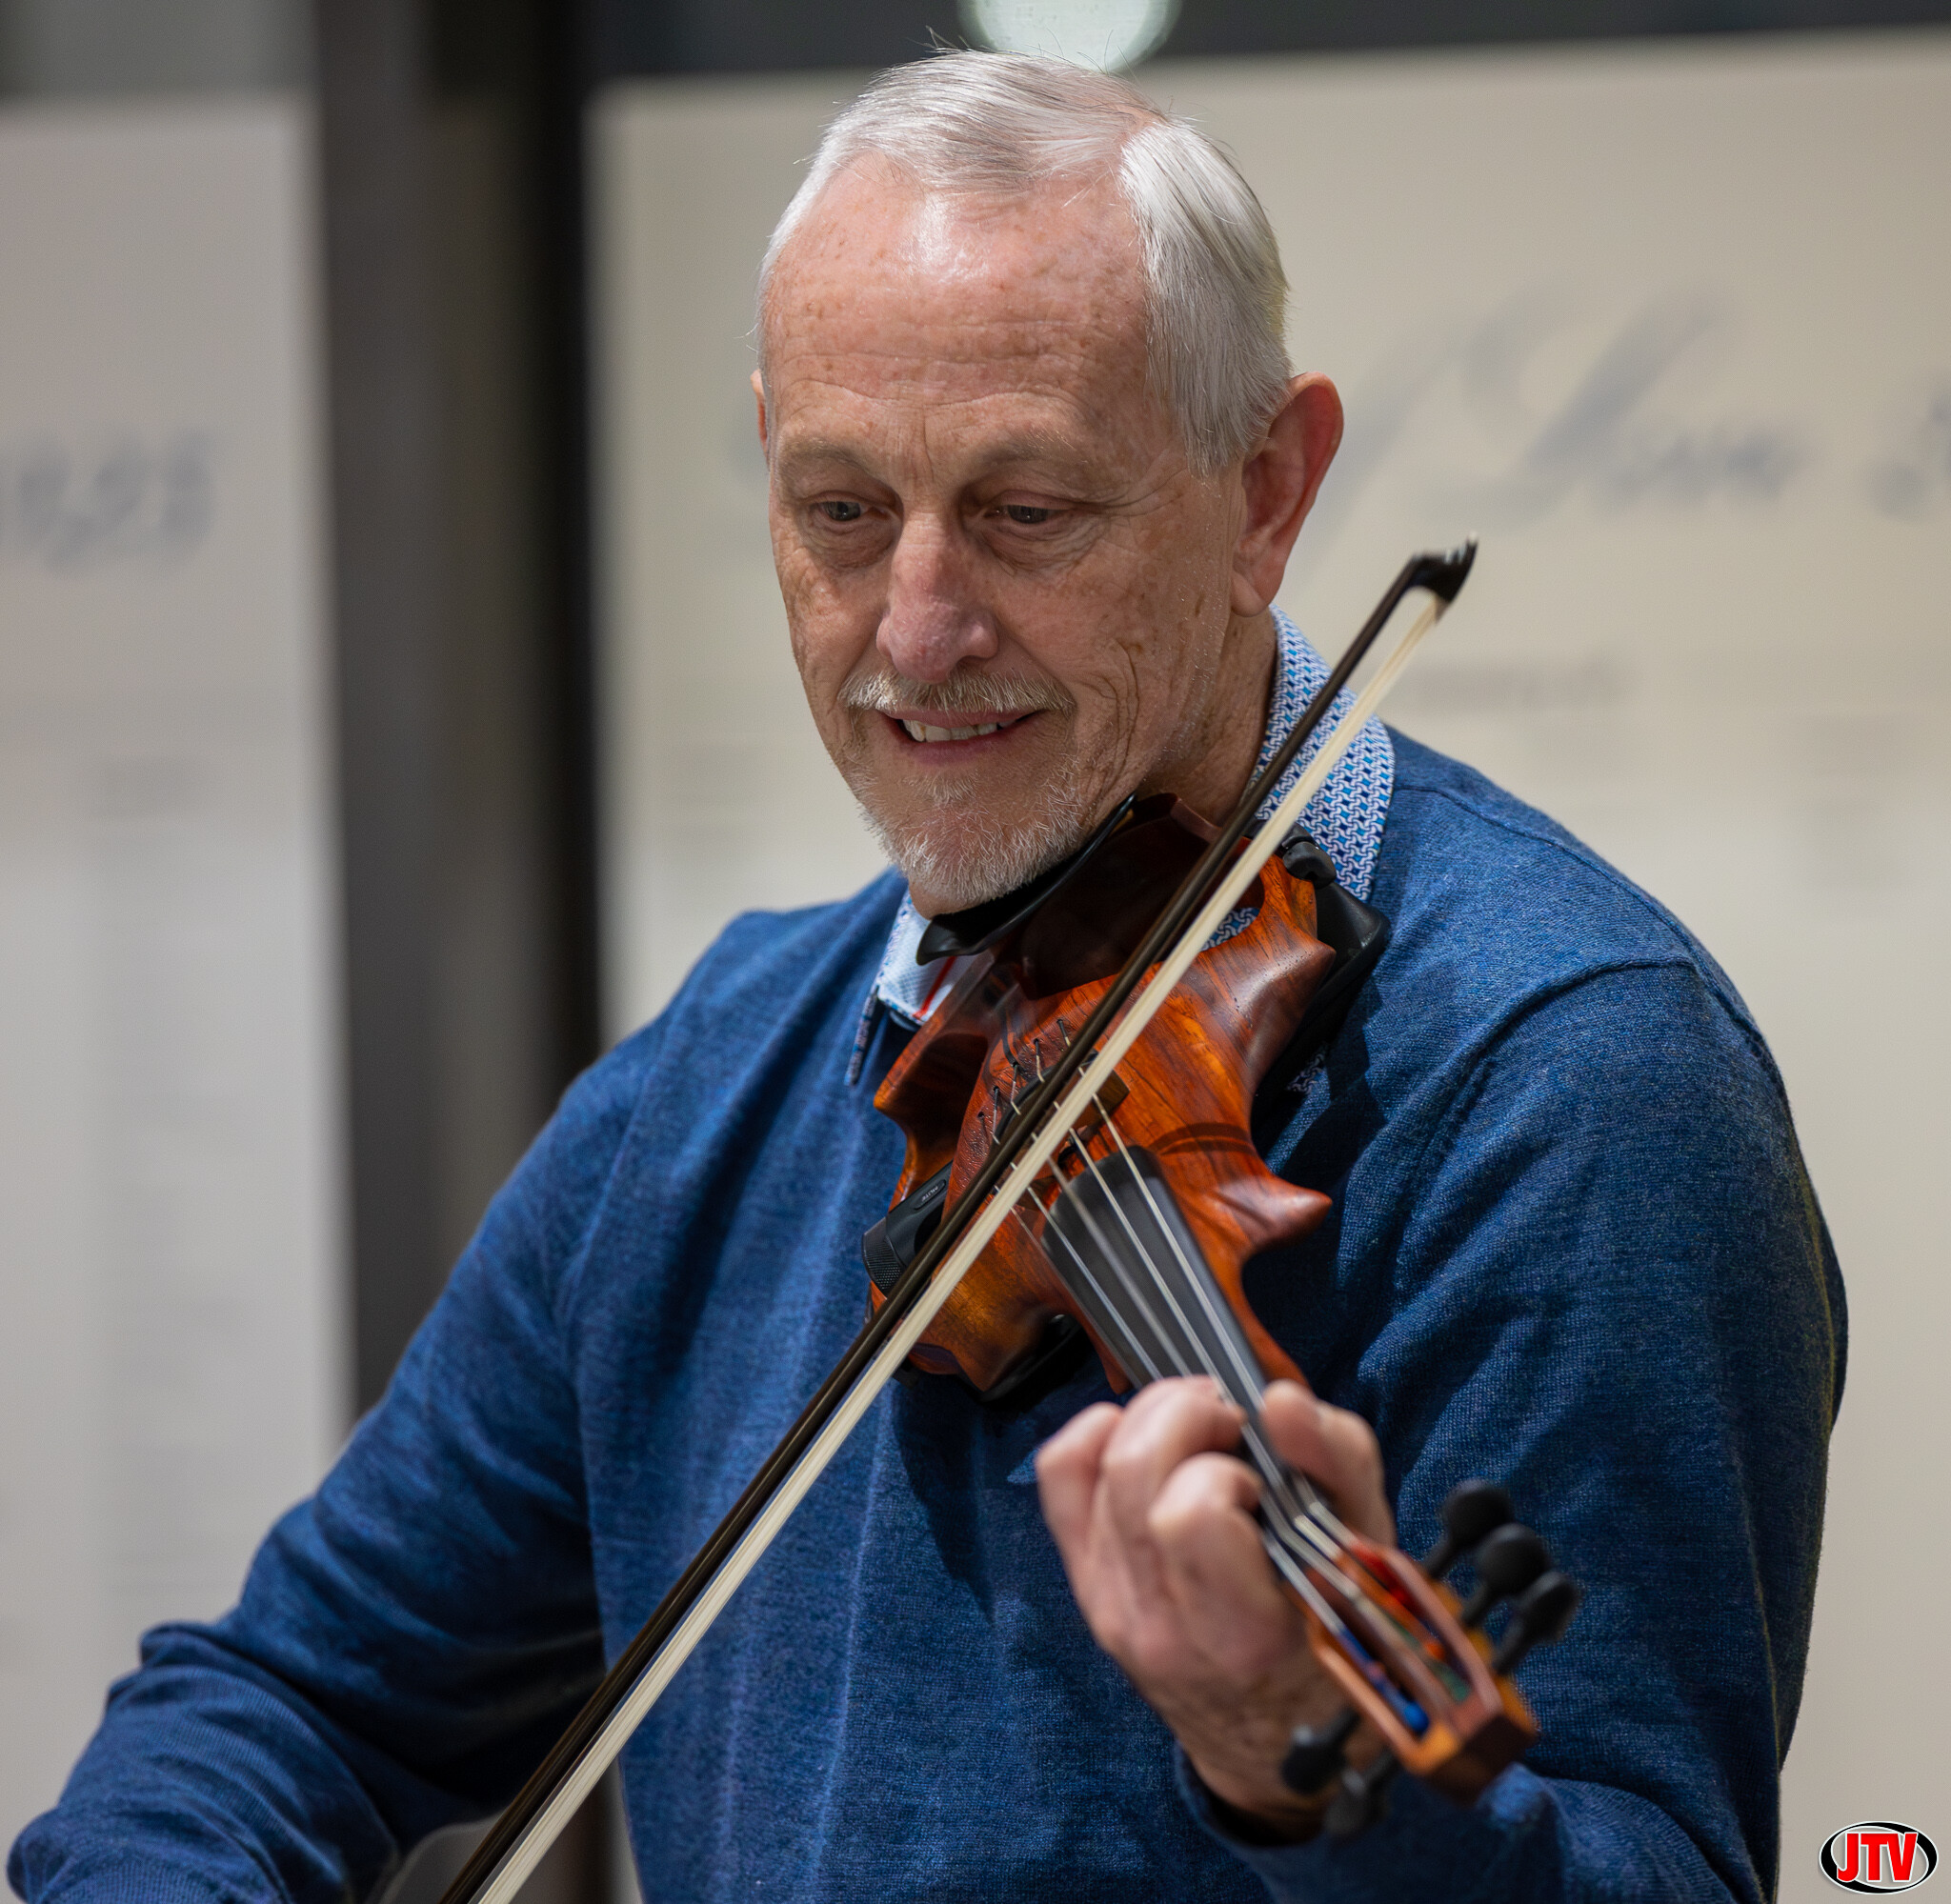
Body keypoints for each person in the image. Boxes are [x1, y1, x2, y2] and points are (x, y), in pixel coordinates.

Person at [10, 51, 1840, 1904]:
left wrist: (1316, 1785)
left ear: (1266, 492)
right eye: (838, 509)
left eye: (1025, 508)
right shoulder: (721, 1072)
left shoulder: (1573, 1078)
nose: (915, 626)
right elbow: (286, 1698)